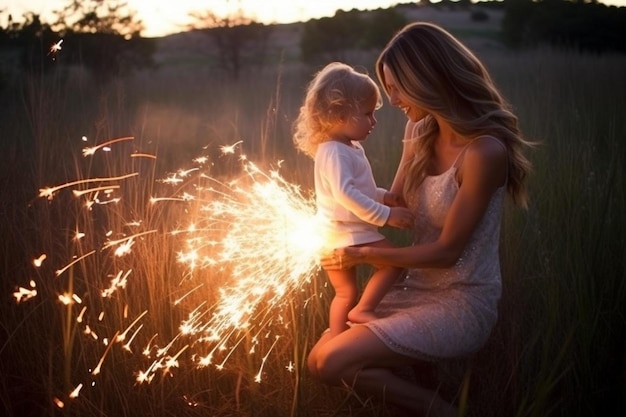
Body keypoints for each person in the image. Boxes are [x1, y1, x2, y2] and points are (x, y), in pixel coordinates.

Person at [306, 23, 534, 416]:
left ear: (428, 79)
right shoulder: (419, 129)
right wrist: (336, 211)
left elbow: (447, 253)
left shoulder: (484, 153)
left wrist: (362, 254)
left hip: (461, 299)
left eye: (396, 88)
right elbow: (395, 200)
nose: (390, 100)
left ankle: (445, 410)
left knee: (333, 362)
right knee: (316, 360)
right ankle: (422, 390)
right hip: (413, 288)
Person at [293, 62, 415, 337]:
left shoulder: (346, 147)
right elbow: (344, 194)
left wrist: (385, 195)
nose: (374, 121)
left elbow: (358, 188)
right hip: (348, 233)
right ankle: (364, 310)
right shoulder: (335, 151)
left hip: (334, 234)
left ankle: (337, 338)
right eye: (367, 114)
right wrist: (386, 215)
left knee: (345, 293)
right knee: (394, 261)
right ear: (338, 113)